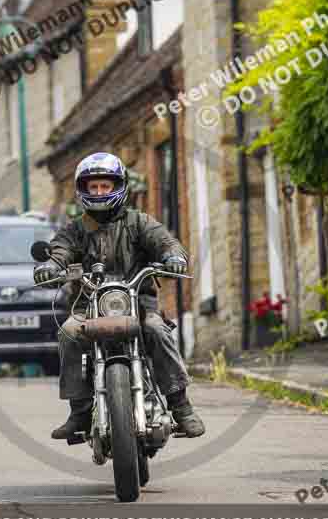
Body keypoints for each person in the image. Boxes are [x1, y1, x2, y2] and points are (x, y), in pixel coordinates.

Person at [33, 152, 206, 440]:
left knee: (156, 329)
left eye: (105, 186)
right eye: (94, 187)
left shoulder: (139, 222)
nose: (100, 192)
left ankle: (181, 407)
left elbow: (165, 241)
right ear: (84, 190)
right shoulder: (77, 228)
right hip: (88, 306)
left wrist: (173, 256)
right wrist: (52, 265)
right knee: (68, 333)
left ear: (118, 187)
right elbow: (61, 249)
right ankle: (79, 411)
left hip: (138, 303)